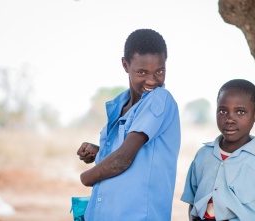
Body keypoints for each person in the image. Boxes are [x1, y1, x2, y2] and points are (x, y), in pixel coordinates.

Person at [77, 29, 181, 221]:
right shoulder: (120, 105)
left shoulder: (159, 98)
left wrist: (87, 177)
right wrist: (99, 152)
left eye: (159, 71)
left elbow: (123, 159)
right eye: (142, 72)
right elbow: (137, 158)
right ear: (125, 65)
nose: (152, 80)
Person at [180, 79, 255, 221]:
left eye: (240, 112)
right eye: (223, 111)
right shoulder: (203, 155)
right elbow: (193, 204)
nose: (230, 119)